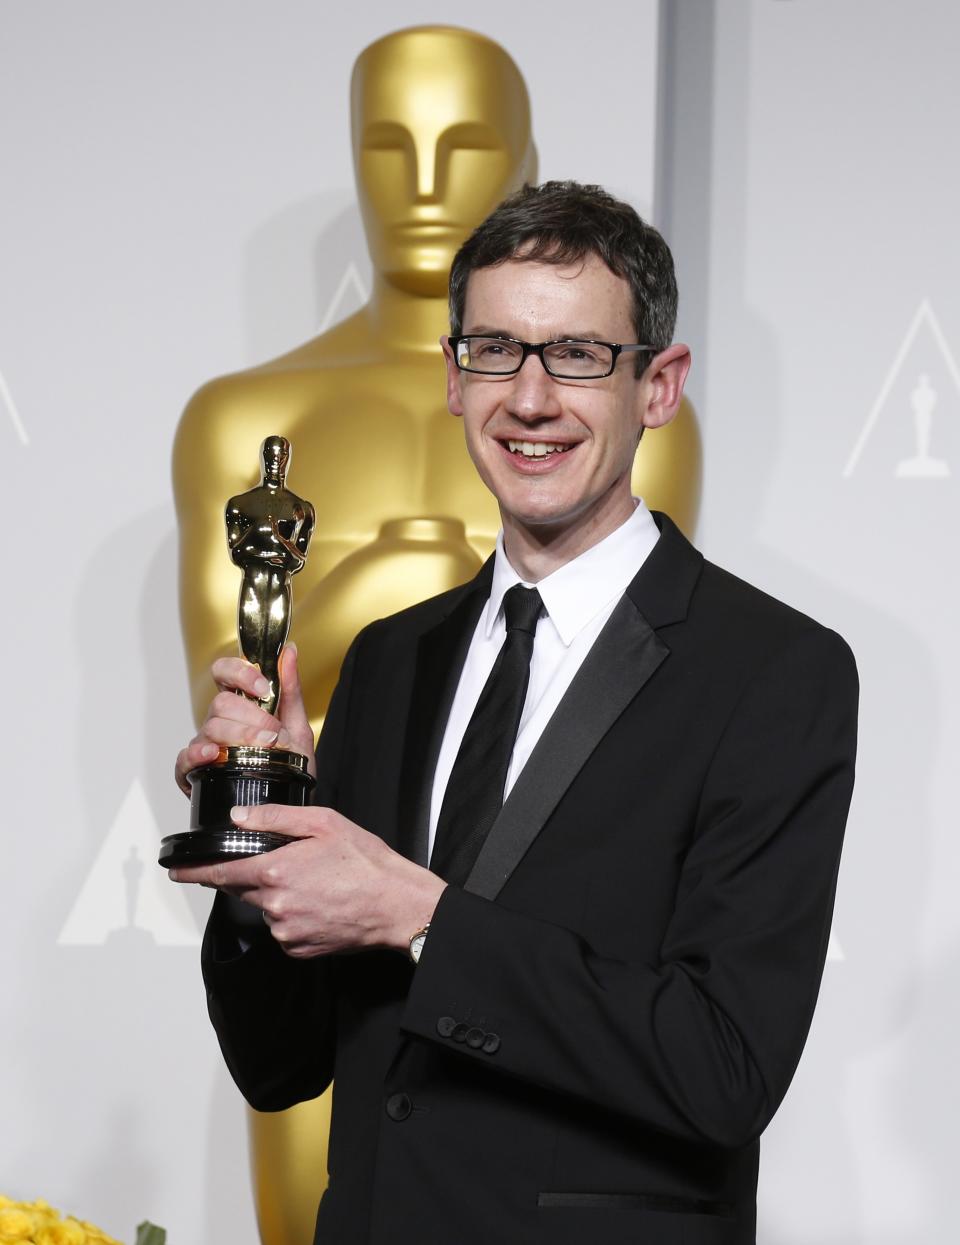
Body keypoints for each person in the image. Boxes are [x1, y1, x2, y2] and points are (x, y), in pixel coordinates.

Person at [171, 181, 858, 1245]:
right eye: (496, 350)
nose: (530, 398)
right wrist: (270, 838)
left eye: (578, 355)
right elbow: (281, 1067)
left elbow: (724, 1066)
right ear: (454, 379)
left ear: (659, 387)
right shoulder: (391, 658)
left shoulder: (774, 672)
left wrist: (422, 918)